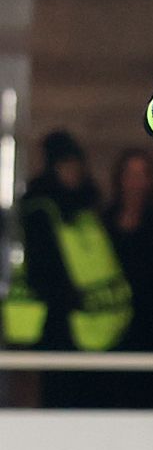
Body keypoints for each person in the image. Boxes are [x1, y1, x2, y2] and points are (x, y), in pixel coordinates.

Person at [4, 129, 131, 408]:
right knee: (59, 396)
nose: (73, 172)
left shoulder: (85, 206)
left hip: (92, 320)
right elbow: (44, 269)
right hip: (56, 323)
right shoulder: (41, 209)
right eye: (66, 165)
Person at [105, 145, 153, 407]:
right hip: (107, 325)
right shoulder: (103, 224)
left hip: (149, 326)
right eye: (130, 174)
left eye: (142, 175)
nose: (136, 183)